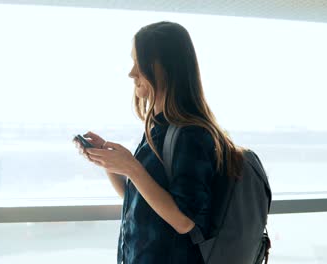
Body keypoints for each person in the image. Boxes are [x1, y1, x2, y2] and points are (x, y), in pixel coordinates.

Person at [73, 21, 244, 264]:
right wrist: (110, 163)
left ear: (165, 67)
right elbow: (142, 200)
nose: (132, 73)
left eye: (139, 62)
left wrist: (132, 167)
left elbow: (184, 221)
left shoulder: (192, 133)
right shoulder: (159, 128)